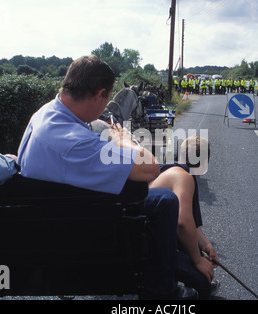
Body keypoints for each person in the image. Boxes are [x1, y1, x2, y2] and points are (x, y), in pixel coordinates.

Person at [16, 55, 197, 299]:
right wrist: (124, 140)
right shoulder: (77, 143)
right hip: (81, 225)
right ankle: (163, 290)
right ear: (101, 94)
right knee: (165, 200)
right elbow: (150, 168)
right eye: (106, 99)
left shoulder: (45, 113)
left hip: (48, 217)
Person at [149, 135, 219, 299]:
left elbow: (192, 227)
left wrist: (206, 245)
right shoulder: (184, 178)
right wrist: (197, 260)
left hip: (148, 235)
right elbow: (182, 222)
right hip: (149, 245)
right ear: (204, 164)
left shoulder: (172, 170)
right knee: (202, 279)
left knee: (194, 248)